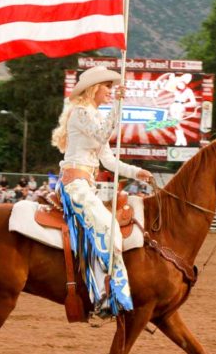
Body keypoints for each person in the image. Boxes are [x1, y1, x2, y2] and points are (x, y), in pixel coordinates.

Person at [52, 66, 153, 318]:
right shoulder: (81, 113)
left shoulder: (93, 115)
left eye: (111, 87)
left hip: (86, 185)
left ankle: (105, 291)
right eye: (107, 86)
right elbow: (102, 135)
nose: (111, 90)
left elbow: (108, 159)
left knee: (105, 226)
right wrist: (118, 106)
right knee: (107, 226)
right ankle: (106, 294)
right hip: (74, 184)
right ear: (94, 88)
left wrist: (136, 172)